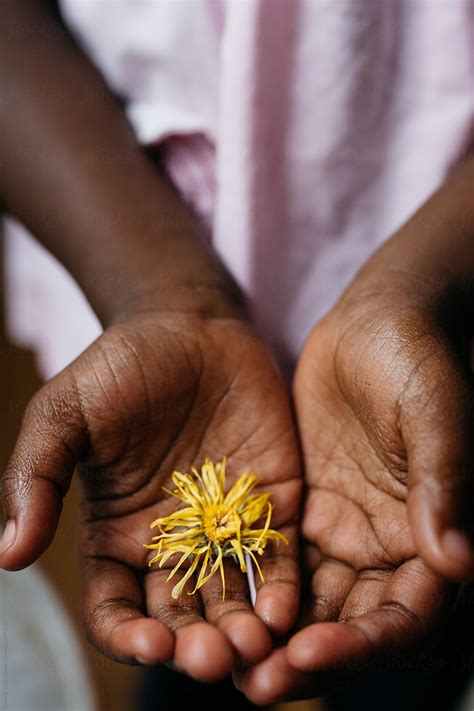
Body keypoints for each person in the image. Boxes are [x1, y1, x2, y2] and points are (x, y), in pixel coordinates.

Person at [0, 0, 473, 705]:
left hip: (443, 290)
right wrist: (161, 293)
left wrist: (418, 288)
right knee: (190, 627)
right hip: (121, 233)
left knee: (415, 613)